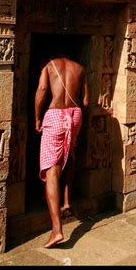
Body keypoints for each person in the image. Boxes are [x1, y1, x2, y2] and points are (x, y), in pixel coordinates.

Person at [35, 54, 89, 248]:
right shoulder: (80, 68)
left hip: (56, 116)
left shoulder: (49, 66)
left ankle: (57, 231)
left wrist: (37, 118)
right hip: (75, 116)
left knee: (52, 171)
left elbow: (42, 89)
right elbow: (85, 101)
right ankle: (66, 200)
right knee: (70, 155)